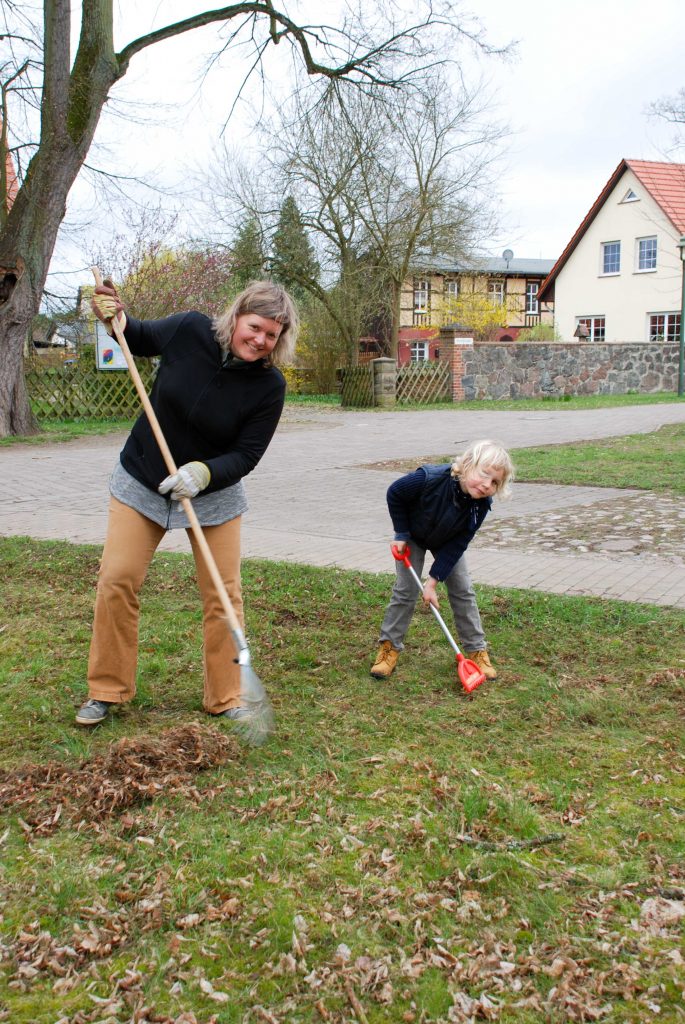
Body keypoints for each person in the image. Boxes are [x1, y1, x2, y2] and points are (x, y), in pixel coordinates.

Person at [76, 279, 298, 726]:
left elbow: (247, 454)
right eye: (254, 327)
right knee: (117, 579)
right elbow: (133, 336)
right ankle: (107, 689)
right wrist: (112, 315)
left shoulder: (269, 386)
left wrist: (203, 473)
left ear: (280, 340)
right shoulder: (189, 330)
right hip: (142, 479)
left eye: (270, 335)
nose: (259, 340)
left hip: (212, 497)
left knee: (223, 595)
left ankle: (227, 696)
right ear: (236, 317)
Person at [370, 439, 514, 683]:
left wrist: (433, 582)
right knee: (406, 591)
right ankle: (389, 648)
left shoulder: (480, 506)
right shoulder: (429, 478)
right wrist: (401, 533)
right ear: (467, 465)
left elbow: (458, 544)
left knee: (463, 590)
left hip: (446, 541)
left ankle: (477, 650)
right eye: (484, 475)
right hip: (413, 536)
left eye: (495, 483)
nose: (487, 485)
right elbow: (395, 493)